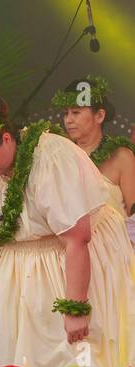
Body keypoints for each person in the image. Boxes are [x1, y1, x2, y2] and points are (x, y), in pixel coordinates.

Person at [0, 100, 135, 367]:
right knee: (1, 354)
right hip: (11, 265)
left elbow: (77, 238)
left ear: (7, 138)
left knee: (74, 354)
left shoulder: (51, 157)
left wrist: (75, 308)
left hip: (69, 255)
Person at [55, 76, 135, 247]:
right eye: (65, 113)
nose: (68, 120)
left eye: (76, 112)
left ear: (99, 116)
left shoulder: (121, 157)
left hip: (115, 254)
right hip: (69, 253)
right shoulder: (59, 157)